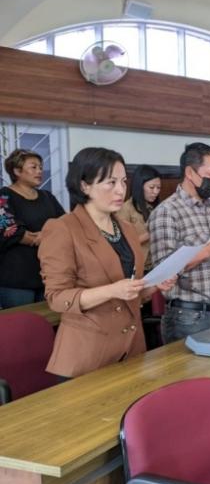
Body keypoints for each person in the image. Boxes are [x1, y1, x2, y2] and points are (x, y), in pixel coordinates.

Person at [38, 148, 175, 379]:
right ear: (84, 186)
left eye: (123, 181)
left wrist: (154, 287)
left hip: (131, 347)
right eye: (110, 182)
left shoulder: (127, 229)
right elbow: (57, 297)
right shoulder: (62, 228)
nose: (120, 190)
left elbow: (130, 293)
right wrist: (112, 290)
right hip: (88, 353)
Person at [149, 142, 210, 343]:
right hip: (189, 316)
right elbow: (162, 273)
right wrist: (206, 252)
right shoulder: (167, 212)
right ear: (190, 172)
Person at [0, 149, 66, 307]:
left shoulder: (47, 197)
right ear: (17, 171)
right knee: (21, 328)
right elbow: (10, 230)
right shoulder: (3, 196)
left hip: (48, 275)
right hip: (16, 280)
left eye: (41, 167)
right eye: (33, 167)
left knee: (48, 325)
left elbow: (64, 225)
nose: (39, 171)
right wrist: (46, 236)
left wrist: (44, 235)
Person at [116, 165, 161, 270]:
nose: (155, 192)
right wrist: (150, 234)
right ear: (139, 186)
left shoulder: (158, 208)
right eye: (151, 187)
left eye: (158, 188)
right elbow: (122, 244)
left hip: (156, 264)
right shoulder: (126, 209)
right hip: (137, 267)